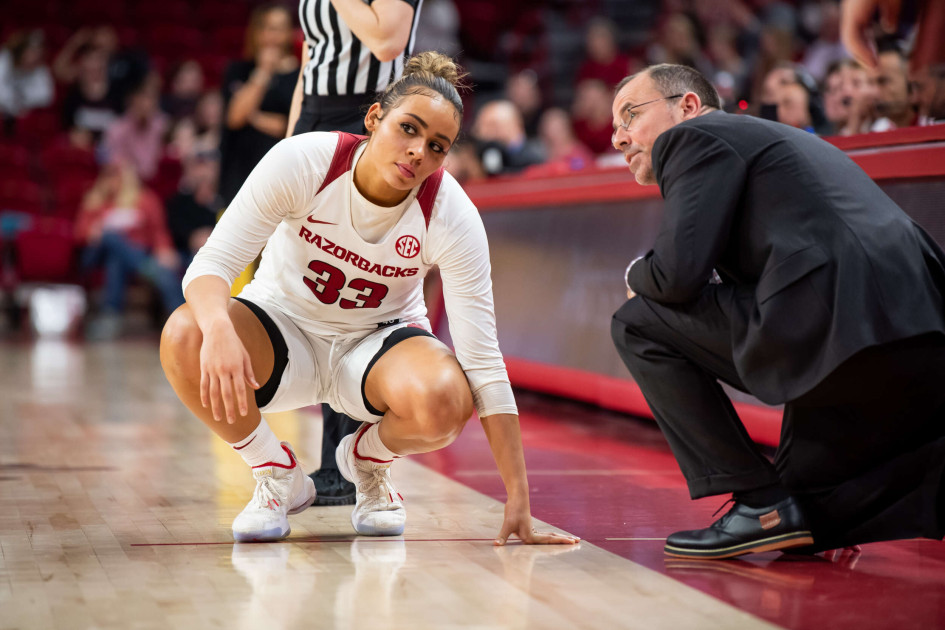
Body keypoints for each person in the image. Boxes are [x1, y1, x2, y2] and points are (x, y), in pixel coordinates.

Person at [159, 52, 580, 547]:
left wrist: (519, 498)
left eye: (437, 146)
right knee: (187, 332)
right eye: (409, 128)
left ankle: (367, 460)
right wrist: (219, 329)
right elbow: (211, 265)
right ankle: (276, 473)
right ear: (375, 117)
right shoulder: (305, 160)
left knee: (447, 398)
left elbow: (483, 360)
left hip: (374, 350)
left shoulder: (451, 213)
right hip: (283, 331)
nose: (419, 151)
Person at [609, 63, 945, 559]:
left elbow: (675, 278)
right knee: (801, 520)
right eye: (614, 127)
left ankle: (754, 499)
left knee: (636, 323)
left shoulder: (697, 135)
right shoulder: (767, 142)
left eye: (630, 115)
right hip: (915, 326)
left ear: (687, 106)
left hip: (838, 312)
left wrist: (635, 275)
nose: (619, 138)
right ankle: (773, 509)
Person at [286, 0, 424, 507]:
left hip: (368, 111)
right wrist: (291, 139)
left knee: (351, 293)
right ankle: (338, 463)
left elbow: (387, 40)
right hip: (317, 112)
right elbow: (311, 57)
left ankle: (348, 464)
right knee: (311, 285)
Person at [77, 161, 184, 340]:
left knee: (116, 259)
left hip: (127, 256)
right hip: (96, 256)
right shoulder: (94, 201)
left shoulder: (145, 200)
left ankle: (111, 315)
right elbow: (80, 233)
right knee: (110, 237)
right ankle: (146, 267)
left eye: (116, 176)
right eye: (108, 176)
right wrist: (92, 231)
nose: (111, 181)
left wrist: (164, 249)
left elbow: (158, 231)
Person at [218, 3, 299, 207]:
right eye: (266, 28)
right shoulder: (238, 70)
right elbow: (235, 118)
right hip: (238, 176)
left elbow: (290, 126)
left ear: (289, 32)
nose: (271, 35)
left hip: (282, 177)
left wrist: (253, 116)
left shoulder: (301, 76)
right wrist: (263, 72)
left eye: (279, 28)